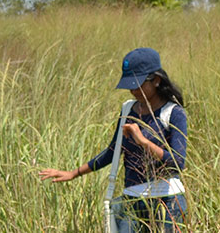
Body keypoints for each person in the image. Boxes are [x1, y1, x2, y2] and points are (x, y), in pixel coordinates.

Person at [39, 48, 190, 232]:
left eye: (139, 84)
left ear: (156, 80)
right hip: (132, 202)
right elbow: (113, 151)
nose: (133, 90)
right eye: (130, 85)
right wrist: (73, 173)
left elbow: (177, 162)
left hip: (168, 202)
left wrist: (143, 141)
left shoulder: (174, 113)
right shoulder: (128, 110)